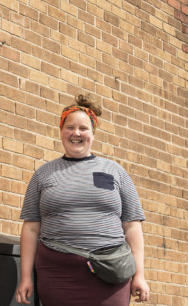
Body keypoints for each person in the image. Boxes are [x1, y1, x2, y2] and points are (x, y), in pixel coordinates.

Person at [15, 94, 150, 306]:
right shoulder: (43, 175)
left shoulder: (116, 172)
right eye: (70, 127)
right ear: (61, 131)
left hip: (109, 272)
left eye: (83, 128)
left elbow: (132, 226)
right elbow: (31, 228)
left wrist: (139, 274)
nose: (76, 133)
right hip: (57, 273)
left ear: (92, 134)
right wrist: (25, 277)